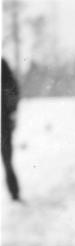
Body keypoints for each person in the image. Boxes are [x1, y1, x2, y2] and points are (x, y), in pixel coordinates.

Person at [1, 58, 21, 201]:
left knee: (7, 161)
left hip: (3, 123)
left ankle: (15, 195)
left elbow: (12, 88)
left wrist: (11, 112)